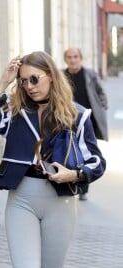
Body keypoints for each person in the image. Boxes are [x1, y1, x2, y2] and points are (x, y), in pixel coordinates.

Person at [0, 51, 106, 268]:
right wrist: (4, 82)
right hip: (21, 199)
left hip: (60, 201)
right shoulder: (15, 111)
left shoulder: (77, 115)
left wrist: (75, 174)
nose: (29, 86)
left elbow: (97, 162)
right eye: (23, 81)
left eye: (34, 79)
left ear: (51, 76)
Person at [63, 47, 108, 200]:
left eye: (75, 56)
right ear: (65, 60)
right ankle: (71, 183)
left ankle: (83, 187)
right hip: (68, 121)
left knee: (87, 154)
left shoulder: (89, 74)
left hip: (87, 121)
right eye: (69, 57)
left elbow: (100, 92)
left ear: (80, 58)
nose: (72, 60)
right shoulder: (62, 76)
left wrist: (102, 107)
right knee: (70, 153)